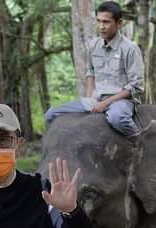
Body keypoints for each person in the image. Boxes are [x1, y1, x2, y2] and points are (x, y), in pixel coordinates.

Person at [45, 1, 144, 136]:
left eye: (106, 22)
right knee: (51, 114)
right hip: (96, 99)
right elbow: (90, 72)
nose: (101, 27)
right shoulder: (94, 45)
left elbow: (136, 86)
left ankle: (142, 141)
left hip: (121, 102)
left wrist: (105, 103)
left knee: (117, 119)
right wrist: (90, 97)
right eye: (99, 21)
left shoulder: (130, 49)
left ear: (119, 23)